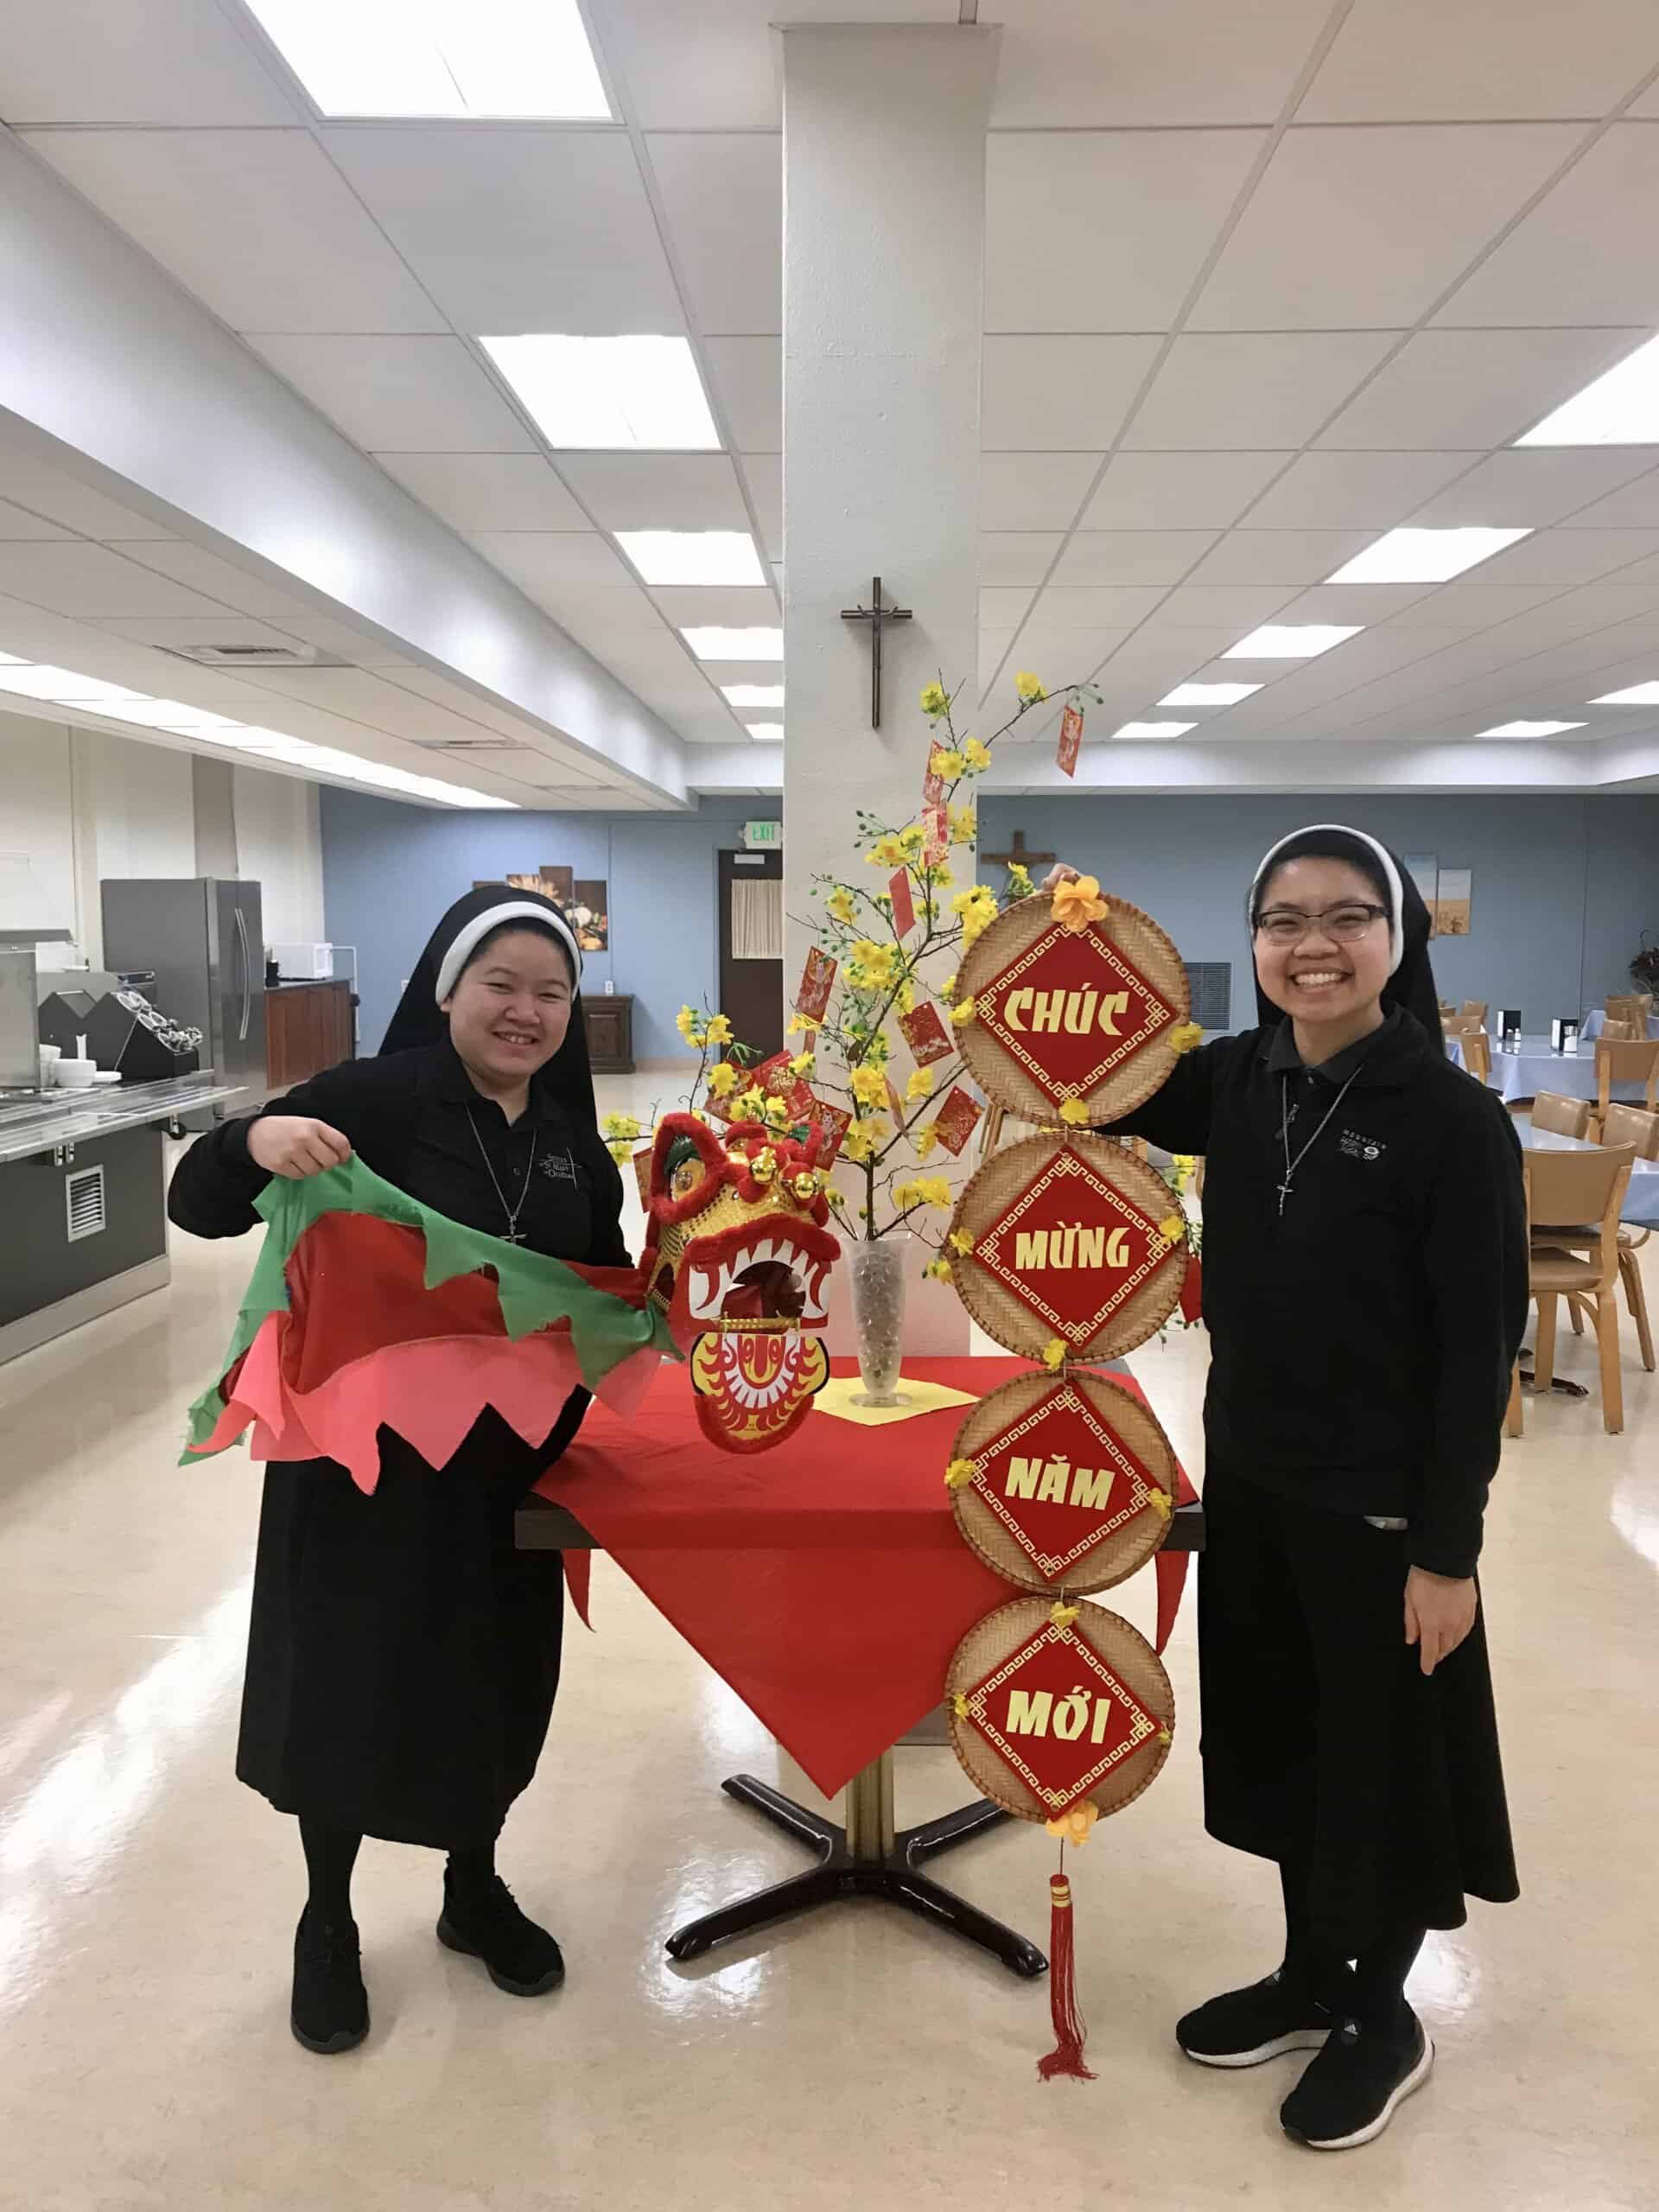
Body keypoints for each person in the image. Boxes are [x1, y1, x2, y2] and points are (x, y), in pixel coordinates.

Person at [1046, 825, 1527, 2152]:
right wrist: (1009, 975)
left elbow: (1481, 1350)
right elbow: (1080, 1081)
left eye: (1348, 917)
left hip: (1382, 1513)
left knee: (1379, 1767)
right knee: (1282, 1745)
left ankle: (1385, 2014)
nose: (1313, 945)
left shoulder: (1451, 1120)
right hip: (1251, 1482)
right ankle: (1312, 1969)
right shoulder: (1238, 1079)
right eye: (1284, 921)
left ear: (1399, 937)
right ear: (1253, 943)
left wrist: (1448, 1550)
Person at [168, 887, 628, 2056]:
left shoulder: (574, 1146)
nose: (526, 1011)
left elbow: (605, 1294)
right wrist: (250, 1140)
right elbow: (200, 1199)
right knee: (349, 1689)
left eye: (550, 992)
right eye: (502, 986)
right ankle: (326, 1924)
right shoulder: (370, 1102)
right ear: (448, 991)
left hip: (509, 1481)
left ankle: (472, 1892)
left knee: (491, 1685)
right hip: (361, 1475)